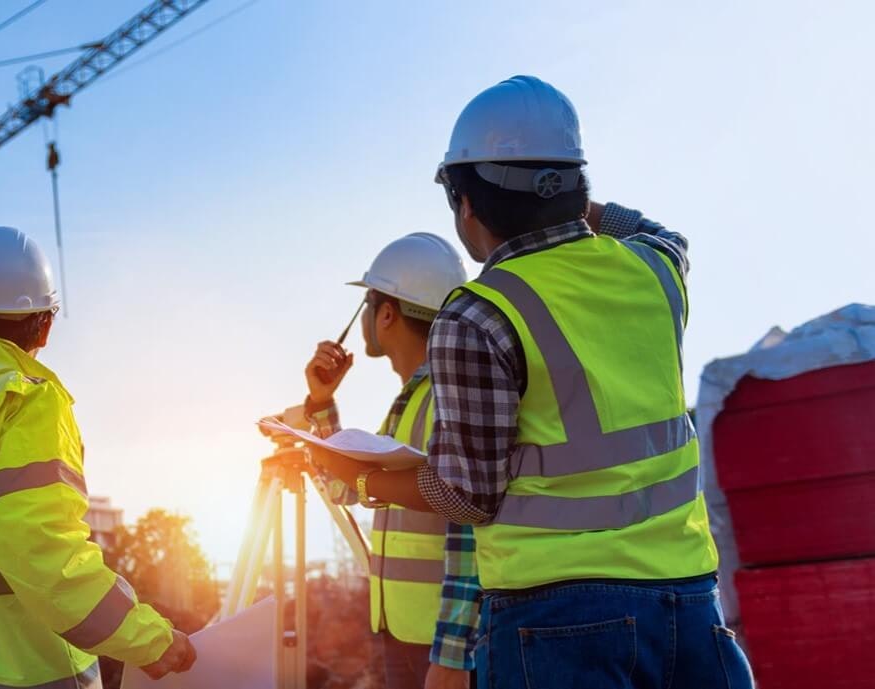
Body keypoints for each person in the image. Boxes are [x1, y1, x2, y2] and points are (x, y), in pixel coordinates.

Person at [310, 76, 754, 688]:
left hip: (555, 621)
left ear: (466, 205)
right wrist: (572, 204)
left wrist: (361, 477)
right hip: (688, 605)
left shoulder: (478, 312)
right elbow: (663, 233)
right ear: (575, 183)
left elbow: (468, 497)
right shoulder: (654, 270)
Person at [0, 226, 195, 689]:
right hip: (24, 674)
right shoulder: (28, 400)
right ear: (45, 327)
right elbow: (42, 553)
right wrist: (150, 640)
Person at [303, 233, 480, 689]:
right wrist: (322, 403)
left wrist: (453, 654)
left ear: (386, 314)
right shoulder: (411, 401)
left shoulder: (445, 397)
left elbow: (471, 531)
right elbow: (350, 486)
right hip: (402, 633)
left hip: (442, 648)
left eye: (368, 303)